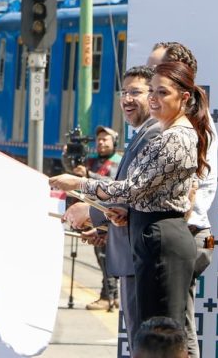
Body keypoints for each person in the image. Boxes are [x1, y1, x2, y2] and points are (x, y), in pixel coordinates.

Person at [51, 61, 214, 329]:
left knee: (161, 334)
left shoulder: (171, 136)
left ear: (184, 97)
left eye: (161, 92)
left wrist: (80, 184)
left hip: (162, 239)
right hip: (154, 235)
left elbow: (133, 187)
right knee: (157, 332)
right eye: (152, 91)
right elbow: (147, 191)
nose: (153, 99)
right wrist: (125, 211)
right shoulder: (168, 132)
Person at [63, 65, 161, 349]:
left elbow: (135, 192)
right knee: (139, 340)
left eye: (136, 92)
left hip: (142, 253)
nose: (127, 99)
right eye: (124, 92)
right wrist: (103, 227)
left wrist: (89, 205)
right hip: (130, 251)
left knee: (146, 342)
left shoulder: (154, 135)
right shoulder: (141, 135)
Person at [148, 42, 218, 358]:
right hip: (190, 232)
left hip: (189, 232)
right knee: (177, 325)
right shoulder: (178, 122)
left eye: (157, 71)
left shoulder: (184, 129)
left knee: (176, 329)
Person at [68, 125, 121, 311]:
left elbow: (113, 185)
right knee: (102, 258)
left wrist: (89, 176)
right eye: (98, 139)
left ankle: (108, 296)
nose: (101, 142)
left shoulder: (118, 161)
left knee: (108, 258)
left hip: (110, 216)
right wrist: (70, 156)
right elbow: (72, 173)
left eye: (105, 139)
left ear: (114, 142)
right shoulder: (91, 161)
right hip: (93, 217)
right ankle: (110, 295)